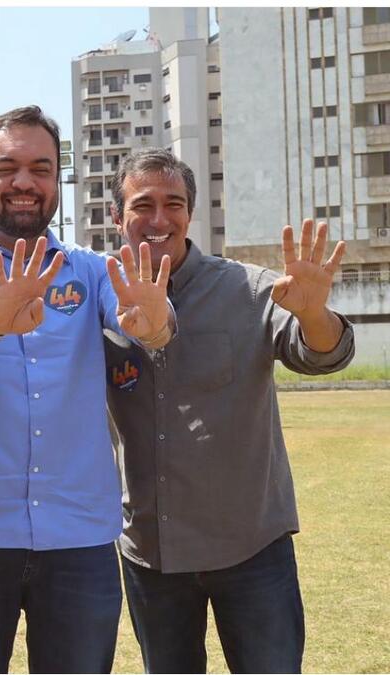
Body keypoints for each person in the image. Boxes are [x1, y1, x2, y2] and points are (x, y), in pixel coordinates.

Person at [0, 105, 175, 673]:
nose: (24, 182)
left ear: (56, 182)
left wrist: (154, 322)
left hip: (77, 535)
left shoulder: (92, 269)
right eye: (7, 167)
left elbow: (143, 321)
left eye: (41, 168)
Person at [104, 148, 354, 673]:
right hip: (152, 553)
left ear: (189, 214)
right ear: (117, 215)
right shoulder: (103, 304)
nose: (158, 219)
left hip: (251, 550)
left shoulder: (248, 289)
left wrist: (314, 314)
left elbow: (323, 353)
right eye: (142, 204)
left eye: (173, 203)